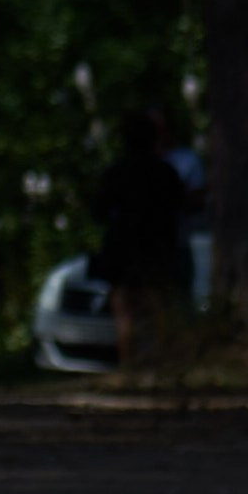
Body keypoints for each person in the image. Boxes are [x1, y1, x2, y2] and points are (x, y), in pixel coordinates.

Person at [91, 109, 188, 370]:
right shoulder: (165, 172)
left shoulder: (116, 173)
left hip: (125, 252)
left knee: (126, 315)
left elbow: (98, 211)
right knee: (159, 313)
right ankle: (160, 368)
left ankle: (129, 368)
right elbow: (182, 206)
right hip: (156, 251)